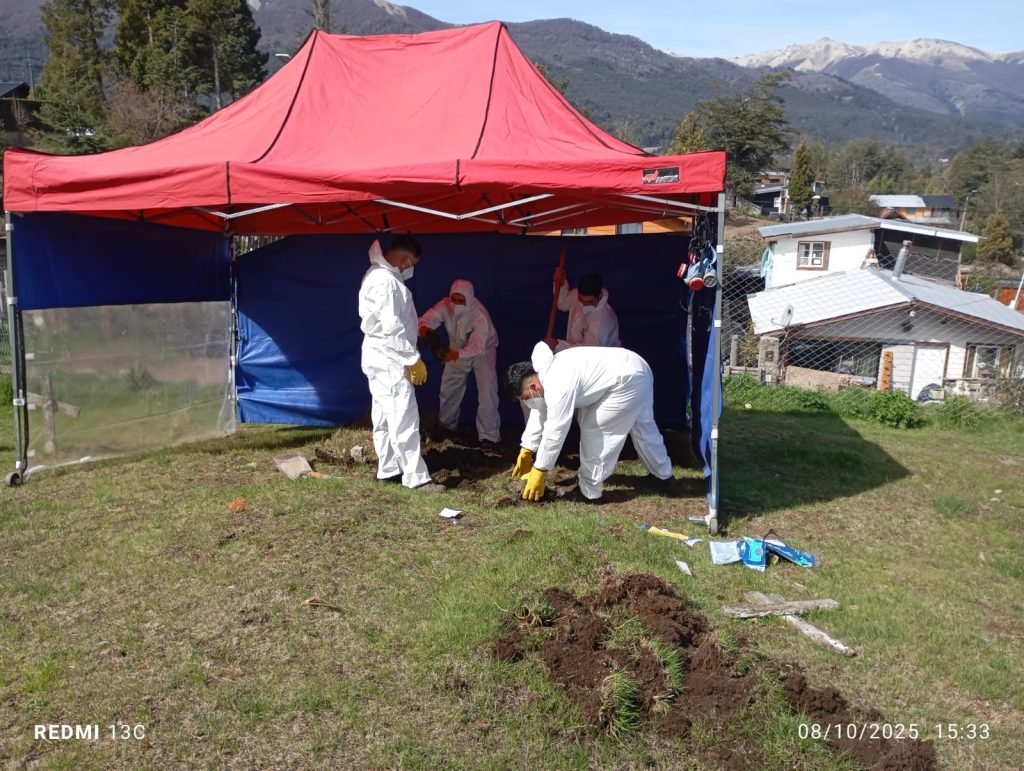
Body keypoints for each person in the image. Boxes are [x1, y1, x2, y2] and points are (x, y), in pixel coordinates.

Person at [506, 342, 674, 502]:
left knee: (596, 429)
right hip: (636, 367)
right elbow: (541, 411)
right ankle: (663, 476)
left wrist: (540, 469)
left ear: (533, 387)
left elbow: (556, 429)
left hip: (625, 380)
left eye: (525, 398)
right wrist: (527, 448)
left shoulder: (558, 383)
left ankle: (589, 492)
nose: (527, 403)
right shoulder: (544, 375)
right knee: (643, 426)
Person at [357, 235, 444, 492]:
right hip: (391, 358)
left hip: (378, 356)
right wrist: (413, 359)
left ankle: (388, 469)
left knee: (384, 416)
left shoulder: (375, 274)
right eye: (411, 264)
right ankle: (416, 478)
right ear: (405, 259)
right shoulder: (388, 283)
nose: (410, 269)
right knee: (404, 417)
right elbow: (392, 327)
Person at [419, 279, 501, 446]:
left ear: (469, 299)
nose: (456, 304)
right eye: (454, 299)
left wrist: (454, 355)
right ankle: (447, 426)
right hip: (456, 347)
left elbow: (477, 347)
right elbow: (425, 320)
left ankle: (489, 436)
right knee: (449, 387)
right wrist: (426, 333)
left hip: (484, 352)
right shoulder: (445, 305)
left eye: (460, 301)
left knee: (487, 392)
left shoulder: (480, 316)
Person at [545, 269, 620, 352]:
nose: (584, 305)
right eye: (581, 300)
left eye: (589, 302)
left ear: (599, 295)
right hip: (573, 353)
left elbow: (590, 352)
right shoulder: (577, 295)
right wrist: (561, 285)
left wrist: (559, 346)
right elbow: (562, 303)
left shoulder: (604, 322)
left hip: (600, 358)